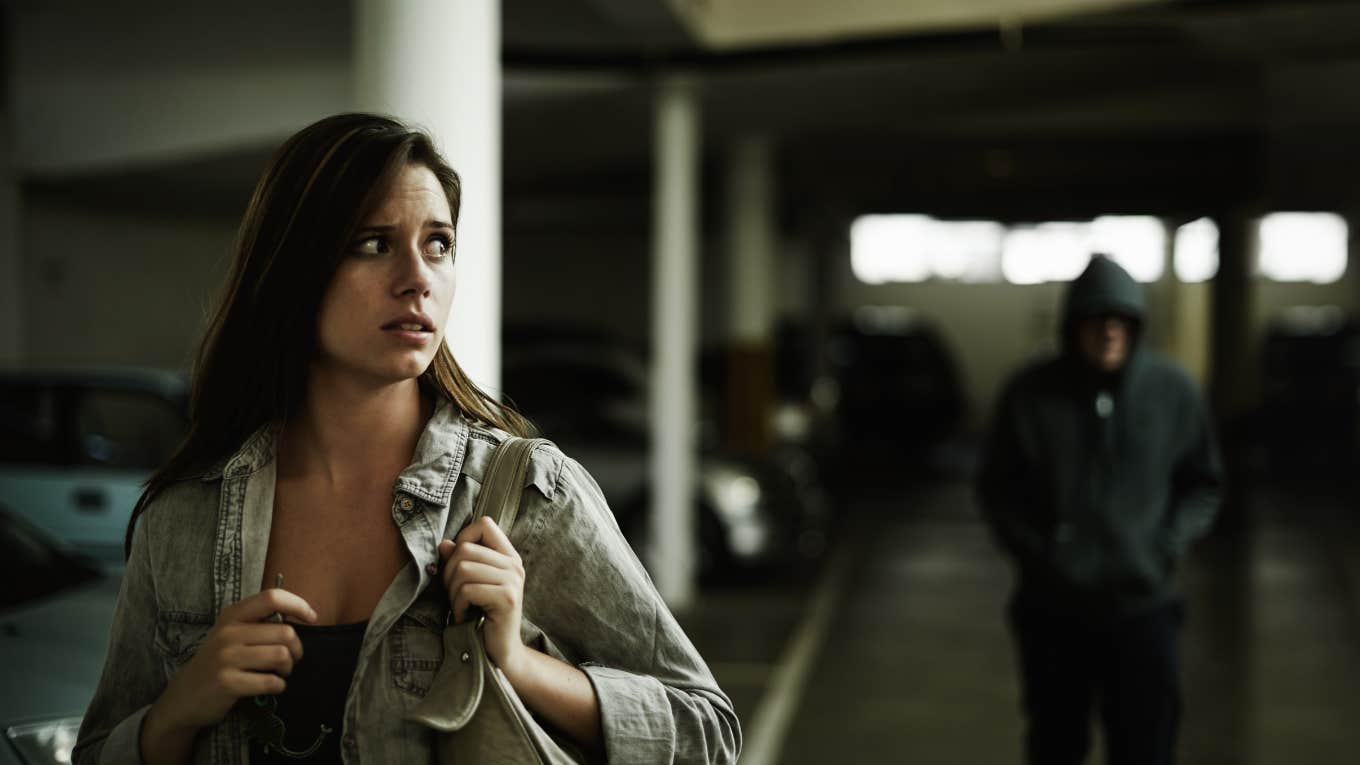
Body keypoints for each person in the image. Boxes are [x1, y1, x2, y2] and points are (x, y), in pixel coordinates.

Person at [74, 113, 740, 764]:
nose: (419, 277)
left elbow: (706, 730)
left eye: (439, 243)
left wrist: (516, 661)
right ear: (292, 268)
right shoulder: (183, 519)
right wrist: (179, 710)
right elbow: (97, 748)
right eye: (373, 242)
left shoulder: (524, 492)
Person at [977, 255, 1223, 765]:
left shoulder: (1171, 393)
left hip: (1143, 610)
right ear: (1073, 326)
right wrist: (1041, 555)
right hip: (1054, 613)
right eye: (1096, 320)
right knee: (1055, 744)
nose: (1108, 332)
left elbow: (1203, 483)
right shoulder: (1030, 395)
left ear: (1135, 327)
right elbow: (998, 489)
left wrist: (1162, 546)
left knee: (1145, 747)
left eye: (1121, 321)